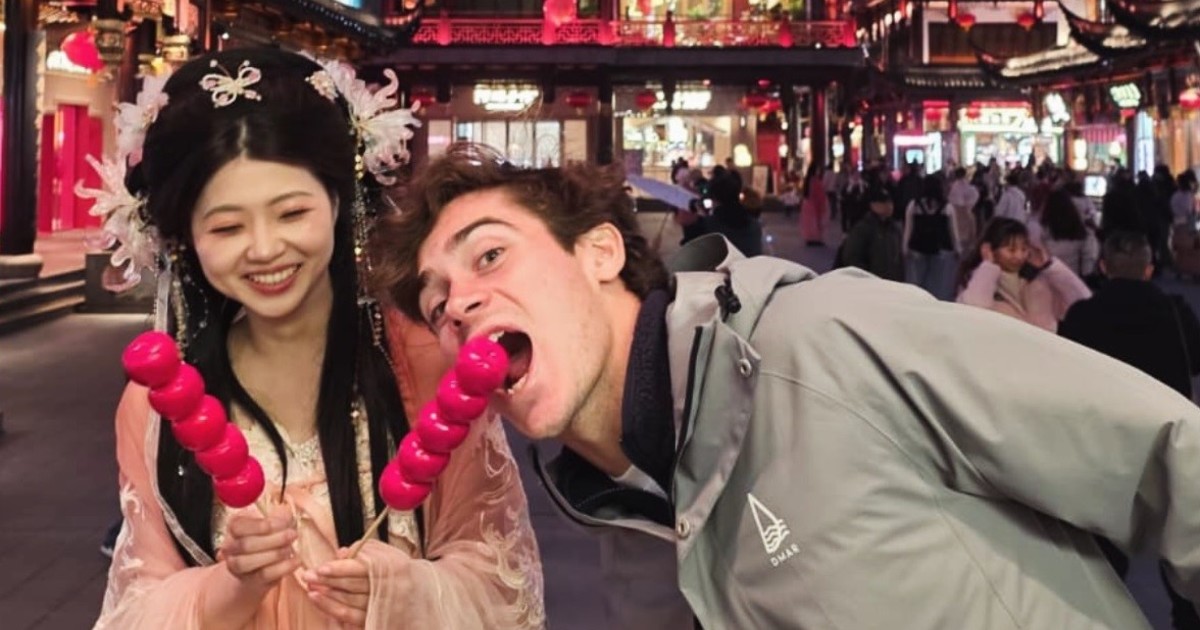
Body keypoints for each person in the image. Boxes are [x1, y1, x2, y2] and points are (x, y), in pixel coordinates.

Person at [371, 142, 1200, 628]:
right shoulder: (622, 528)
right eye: (438, 305)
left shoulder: (827, 339)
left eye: (489, 255)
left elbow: (1167, 452)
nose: (459, 306)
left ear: (601, 253)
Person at [87, 51, 543, 629]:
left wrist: (407, 594)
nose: (264, 249)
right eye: (227, 227)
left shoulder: (429, 364)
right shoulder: (156, 405)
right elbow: (137, 599)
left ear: (337, 200)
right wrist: (229, 587)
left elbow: (503, 579)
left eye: (291, 213)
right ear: (186, 239)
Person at [1059, 231, 1200, 630]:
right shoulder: (1175, 311)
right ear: (1149, 268)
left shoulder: (1083, 314)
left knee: (1103, 554)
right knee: (1176, 544)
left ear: (1103, 266)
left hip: (1103, 446)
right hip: (1166, 442)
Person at [957, 218, 1090, 332]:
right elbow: (973, 310)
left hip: (1044, 353)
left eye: (1024, 249)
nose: (1019, 256)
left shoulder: (1040, 282)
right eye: (1011, 250)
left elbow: (1083, 302)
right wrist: (988, 267)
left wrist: (1049, 266)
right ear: (989, 249)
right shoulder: (978, 282)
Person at [901, 175, 960, 300]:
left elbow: (908, 228)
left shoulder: (914, 205)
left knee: (916, 284)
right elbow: (953, 231)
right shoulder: (947, 207)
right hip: (941, 248)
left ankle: (917, 303)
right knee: (939, 285)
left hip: (917, 248)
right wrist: (958, 249)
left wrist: (905, 248)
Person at [839, 177, 904, 280]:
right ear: (873, 205)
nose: (889, 206)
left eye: (890, 202)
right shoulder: (863, 229)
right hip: (870, 283)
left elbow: (899, 261)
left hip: (890, 283)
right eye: (884, 203)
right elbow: (852, 258)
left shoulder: (894, 229)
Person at [1037, 189, 1099, 279]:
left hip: (1048, 279)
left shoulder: (1041, 232)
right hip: (1073, 279)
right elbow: (1088, 262)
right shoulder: (1081, 233)